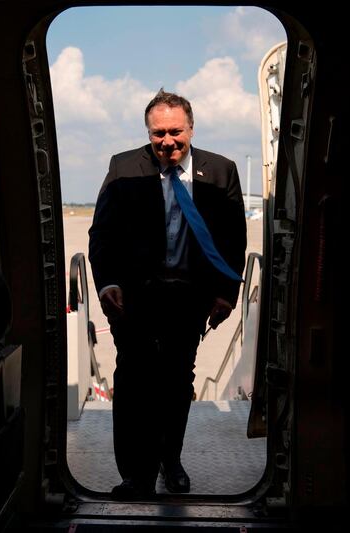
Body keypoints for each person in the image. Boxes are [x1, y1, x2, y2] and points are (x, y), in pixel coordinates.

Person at [88, 89, 246, 499]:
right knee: (134, 381)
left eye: (175, 132)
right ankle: (134, 475)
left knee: (177, 383)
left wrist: (227, 291)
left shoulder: (223, 170)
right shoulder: (124, 167)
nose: (167, 141)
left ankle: (169, 461)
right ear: (148, 132)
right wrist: (106, 282)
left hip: (188, 298)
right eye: (158, 133)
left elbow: (233, 238)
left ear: (191, 129)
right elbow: (102, 233)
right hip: (136, 299)